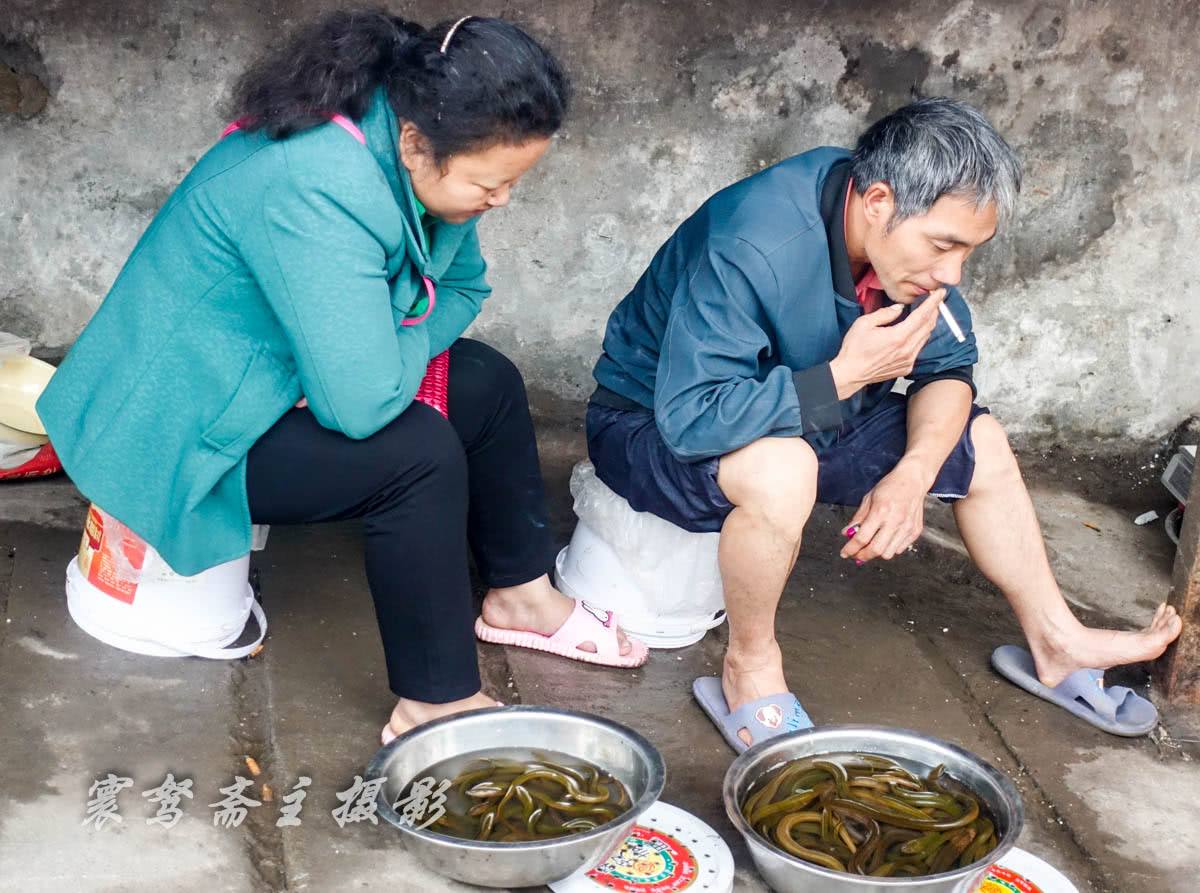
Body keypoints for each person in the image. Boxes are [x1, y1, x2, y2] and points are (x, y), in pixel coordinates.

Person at [37, 9, 645, 747]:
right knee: (415, 456)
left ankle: (521, 596)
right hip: (177, 423)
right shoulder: (317, 186)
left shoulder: (415, 138)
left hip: (259, 376)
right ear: (420, 144)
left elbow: (465, 291)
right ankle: (435, 703)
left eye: (513, 180)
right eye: (493, 182)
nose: (503, 199)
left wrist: (385, 340)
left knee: (484, 382)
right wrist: (387, 342)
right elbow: (359, 404)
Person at [585, 97, 1182, 751]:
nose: (951, 274)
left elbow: (950, 373)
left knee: (976, 439)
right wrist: (844, 376)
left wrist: (913, 473)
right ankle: (749, 666)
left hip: (804, 415)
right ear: (876, 201)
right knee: (786, 468)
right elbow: (692, 420)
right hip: (648, 427)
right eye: (943, 245)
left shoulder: (908, 260)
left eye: (968, 251)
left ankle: (1057, 640)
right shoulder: (753, 242)